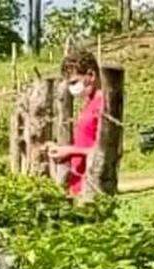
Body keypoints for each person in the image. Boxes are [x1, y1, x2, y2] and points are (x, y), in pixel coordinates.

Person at [48, 47, 104, 197]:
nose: (72, 88)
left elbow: (104, 151)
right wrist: (63, 149)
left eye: (74, 82)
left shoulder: (103, 105)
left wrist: (70, 151)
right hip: (78, 186)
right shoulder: (89, 103)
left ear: (91, 75)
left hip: (92, 187)